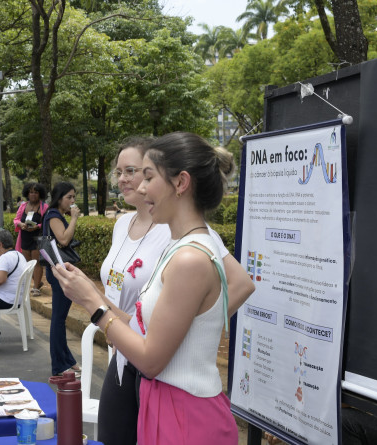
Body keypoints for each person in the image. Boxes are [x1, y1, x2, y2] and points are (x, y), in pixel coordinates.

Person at [53, 132, 255, 444]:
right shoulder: (178, 248)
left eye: (147, 176)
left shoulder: (189, 258)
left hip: (184, 413)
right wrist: (89, 294)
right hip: (164, 402)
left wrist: (94, 305)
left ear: (181, 183)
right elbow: (142, 328)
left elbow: (149, 360)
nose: (141, 187)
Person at [43, 182, 81, 377]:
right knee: (58, 319)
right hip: (58, 271)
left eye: (74, 197)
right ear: (59, 198)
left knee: (60, 318)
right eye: (69, 197)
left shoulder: (55, 215)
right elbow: (64, 240)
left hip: (59, 270)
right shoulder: (53, 216)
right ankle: (59, 366)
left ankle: (68, 360)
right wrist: (74, 218)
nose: (72, 201)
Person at [13, 182, 48, 295]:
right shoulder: (23, 206)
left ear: (40, 194)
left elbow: (47, 222)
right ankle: (37, 282)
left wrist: (37, 226)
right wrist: (21, 224)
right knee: (28, 263)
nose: (33, 194)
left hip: (37, 238)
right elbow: (16, 219)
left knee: (36, 262)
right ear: (27, 194)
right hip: (25, 237)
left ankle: (36, 288)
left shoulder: (44, 207)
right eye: (31, 192)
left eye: (36, 192)